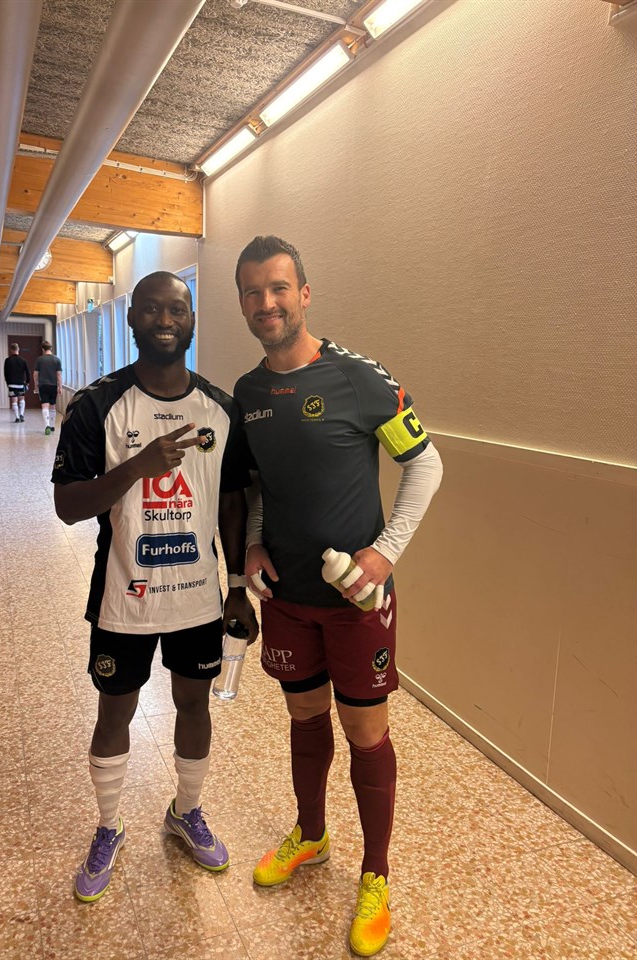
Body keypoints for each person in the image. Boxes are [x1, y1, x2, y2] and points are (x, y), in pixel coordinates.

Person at [233, 236, 443, 958]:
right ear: (243, 304)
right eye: (253, 292)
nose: (267, 303)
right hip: (287, 596)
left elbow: (426, 464)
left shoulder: (360, 378)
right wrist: (253, 545)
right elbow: (257, 487)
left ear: (304, 293)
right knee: (303, 715)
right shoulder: (249, 394)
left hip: (357, 602)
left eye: (278, 288)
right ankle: (312, 835)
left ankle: (376, 874)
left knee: (366, 732)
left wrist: (385, 553)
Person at [52, 271, 257, 904]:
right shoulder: (97, 405)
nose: (165, 320)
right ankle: (109, 825)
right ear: (132, 318)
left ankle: (185, 811)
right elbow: (67, 506)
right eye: (151, 309)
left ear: (192, 320)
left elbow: (232, 501)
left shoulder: (221, 409)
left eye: (177, 309)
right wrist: (138, 467)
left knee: (195, 706)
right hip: (124, 596)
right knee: (115, 711)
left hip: (198, 597)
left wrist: (236, 587)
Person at [33, 340, 62, 435]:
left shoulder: (39, 360)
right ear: (51, 348)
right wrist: (60, 387)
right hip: (53, 385)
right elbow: (59, 375)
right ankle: (52, 426)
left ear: (42, 349)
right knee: (52, 406)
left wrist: (36, 385)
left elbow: (35, 374)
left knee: (45, 406)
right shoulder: (57, 360)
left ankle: (47, 426)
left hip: (43, 385)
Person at [3, 342, 30, 422]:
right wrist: (27, 381)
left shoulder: (7, 360)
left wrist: (7, 383)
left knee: (14, 400)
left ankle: (17, 417)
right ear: (18, 349)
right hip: (20, 383)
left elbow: (5, 373)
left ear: (11, 350)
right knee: (22, 399)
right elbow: (28, 372)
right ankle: (21, 415)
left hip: (11, 384)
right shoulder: (23, 361)